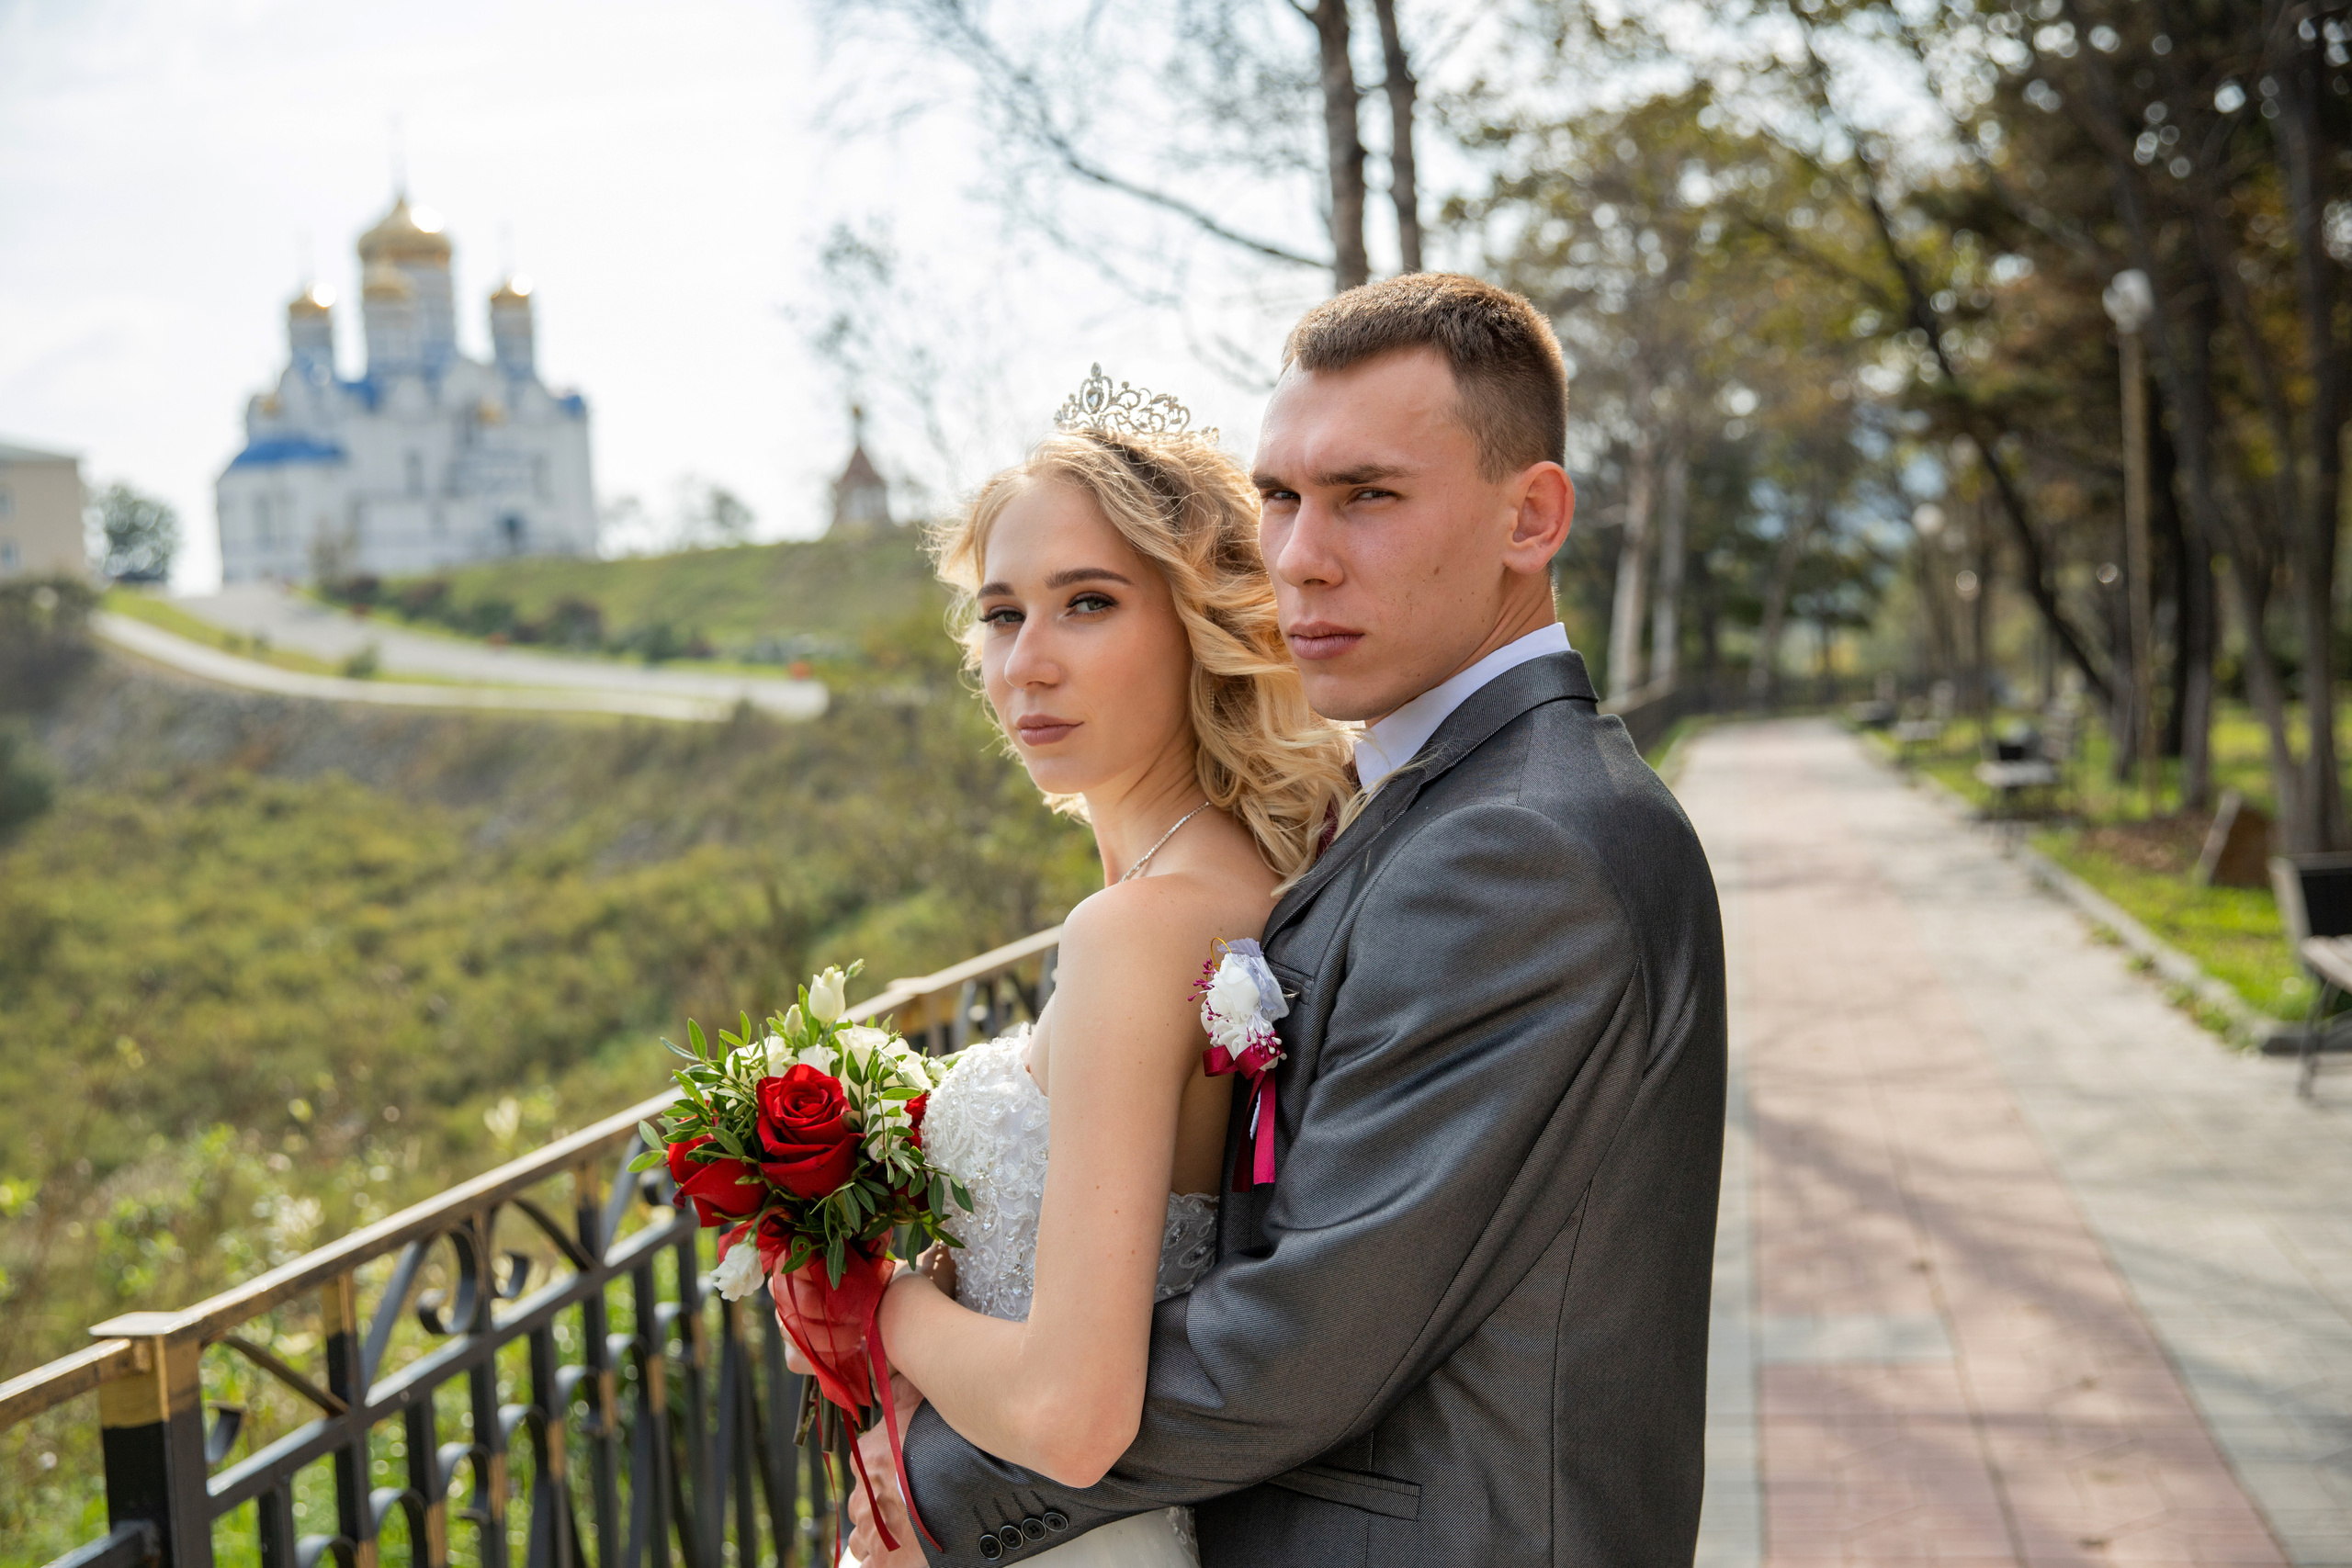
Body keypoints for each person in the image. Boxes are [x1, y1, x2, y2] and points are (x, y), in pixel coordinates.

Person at [851, 275, 1726, 1568]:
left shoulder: (1520, 847)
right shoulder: (1424, 809)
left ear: (1530, 516)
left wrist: (925, 1474)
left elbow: (1297, 1343)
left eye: (1368, 496)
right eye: (1279, 498)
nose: (1301, 554)